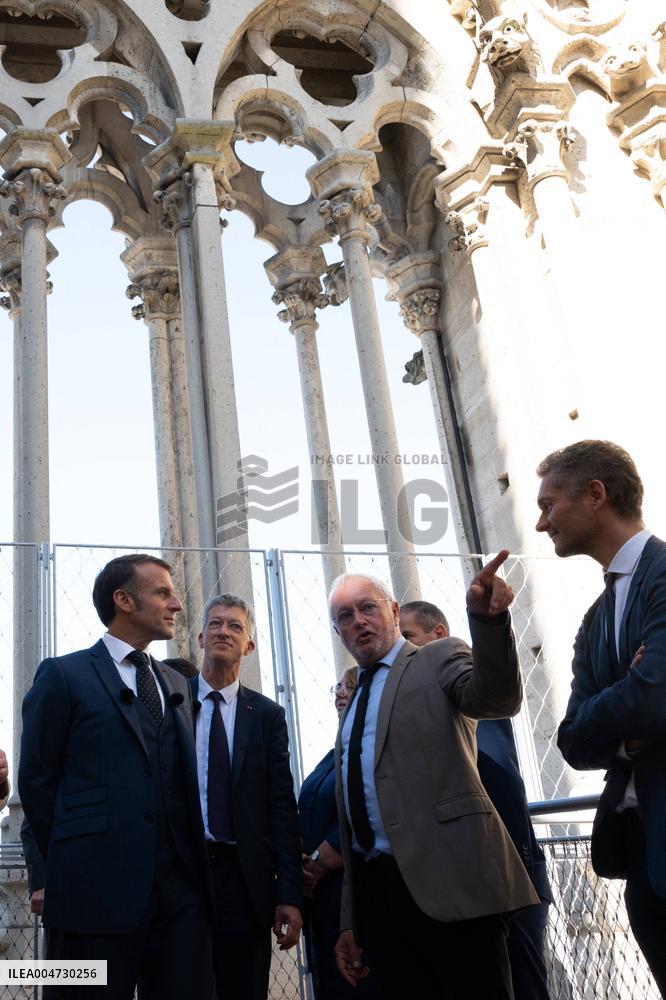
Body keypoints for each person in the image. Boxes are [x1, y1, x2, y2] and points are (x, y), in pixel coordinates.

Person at [330, 555, 539, 1000]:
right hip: (381, 901)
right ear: (338, 632)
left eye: (368, 608)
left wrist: (489, 622)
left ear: (393, 610)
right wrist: (351, 919)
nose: (359, 621)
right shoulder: (352, 700)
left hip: (455, 890)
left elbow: (496, 698)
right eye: (345, 616)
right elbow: (354, 819)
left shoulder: (436, 657)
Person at [18, 553, 214, 1000]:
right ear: (124, 600)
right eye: (163, 593)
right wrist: (72, 864)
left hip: (181, 903)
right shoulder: (63, 675)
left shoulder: (176, 684)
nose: (176, 604)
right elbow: (37, 782)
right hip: (90, 901)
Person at [536, 439, 666, 993]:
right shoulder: (595, 618)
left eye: (548, 505)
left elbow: (653, 696)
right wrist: (631, 731)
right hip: (641, 858)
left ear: (595, 494)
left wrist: (623, 702)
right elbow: (572, 739)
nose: (541, 523)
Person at [399, 600, 552, 1000]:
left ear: (439, 636)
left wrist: (522, 871)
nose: (400, 651)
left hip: (511, 879)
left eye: (407, 638)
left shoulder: (467, 691)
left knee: (525, 985)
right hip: (465, 890)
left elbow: (501, 784)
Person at [193, 593, 302, 1000]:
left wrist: (288, 894)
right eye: (215, 623)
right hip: (183, 877)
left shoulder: (268, 717)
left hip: (245, 884)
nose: (224, 631)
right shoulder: (173, 703)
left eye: (235, 626)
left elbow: (281, 808)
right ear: (201, 637)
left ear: (249, 645)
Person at [298, 668, 382, 1000]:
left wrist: (317, 862)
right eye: (339, 686)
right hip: (321, 899)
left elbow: (362, 814)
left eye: (352, 686)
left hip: (354, 895)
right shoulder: (334, 754)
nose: (341, 692)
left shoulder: (370, 749)